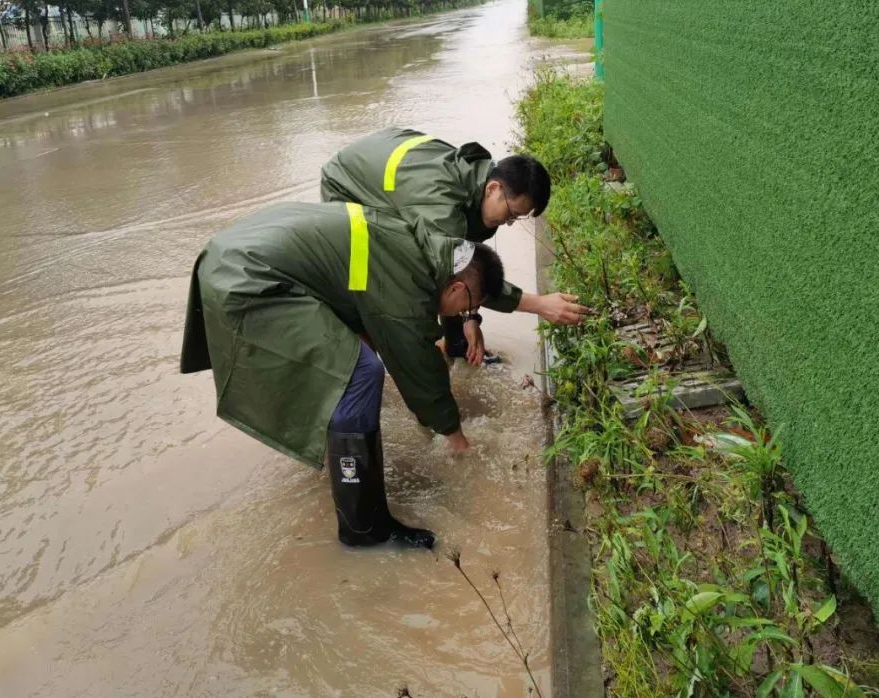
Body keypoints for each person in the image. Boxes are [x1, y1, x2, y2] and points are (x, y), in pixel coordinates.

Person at [180, 201, 505, 549]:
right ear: (456, 288)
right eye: (469, 307)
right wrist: (454, 434)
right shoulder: (408, 283)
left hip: (233, 256)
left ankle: (337, 456)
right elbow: (417, 367)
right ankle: (364, 530)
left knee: (351, 355)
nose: (465, 314)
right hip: (248, 279)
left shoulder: (417, 246)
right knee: (362, 373)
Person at [320, 127, 590, 364]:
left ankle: (454, 346)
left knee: (444, 267)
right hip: (348, 186)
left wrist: (471, 317)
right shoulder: (442, 204)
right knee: (378, 286)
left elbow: (466, 262)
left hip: (386, 165)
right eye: (511, 213)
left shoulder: (477, 180)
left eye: (516, 218)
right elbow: (451, 267)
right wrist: (539, 304)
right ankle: (362, 366)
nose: (509, 223)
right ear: (494, 188)